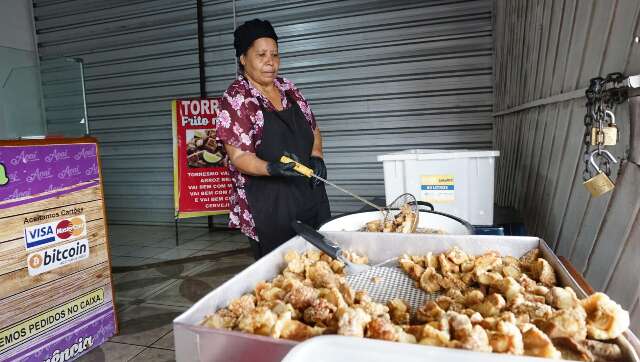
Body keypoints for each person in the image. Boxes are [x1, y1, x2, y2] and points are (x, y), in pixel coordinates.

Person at [217, 19, 331, 259]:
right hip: (268, 205)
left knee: (321, 262)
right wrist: (271, 167)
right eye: (261, 54)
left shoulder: (288, 87)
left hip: (309, 194)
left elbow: (314, 127)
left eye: (275, 54)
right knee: (280, 273)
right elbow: (238, 155)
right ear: (243, 58)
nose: (270, 61)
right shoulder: (237, 98)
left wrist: (316, 155)